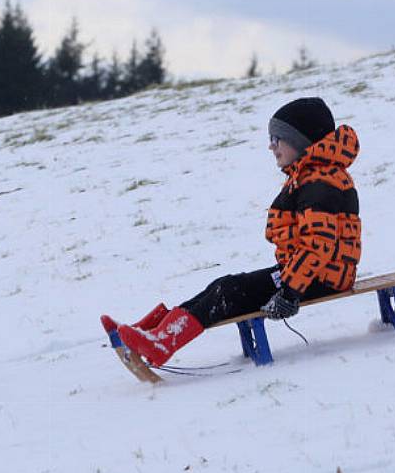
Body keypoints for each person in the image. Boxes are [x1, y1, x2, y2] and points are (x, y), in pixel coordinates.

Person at [103, 97, 361, 367]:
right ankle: (153, 332)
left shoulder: (320, 183)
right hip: (307, 273)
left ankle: (162, 341)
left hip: (320, 278)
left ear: (300, 141)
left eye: (277, 138)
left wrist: (289, 293)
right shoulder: (310, 177)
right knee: (223, 286)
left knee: (229, 292)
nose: (271, 146)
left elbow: (318, 245)